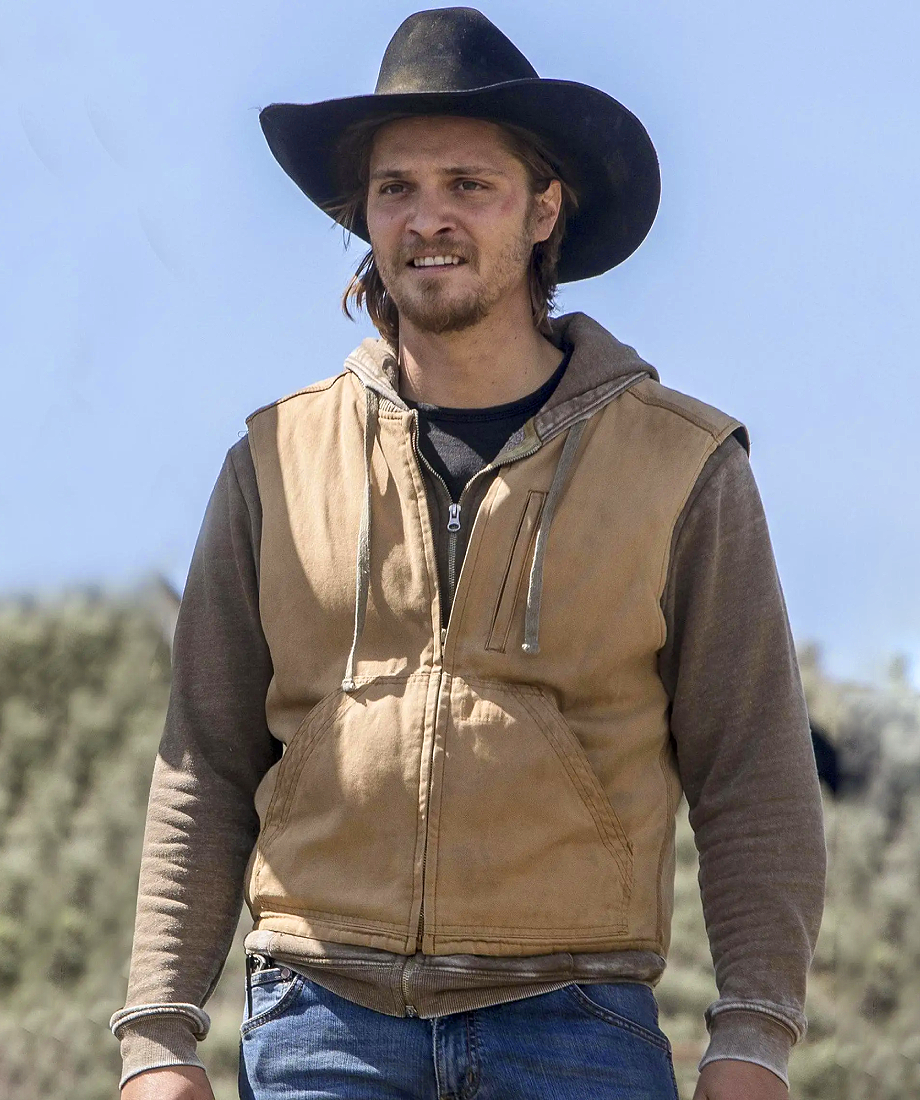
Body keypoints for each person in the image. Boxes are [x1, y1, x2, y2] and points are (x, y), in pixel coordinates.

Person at [111, 9, 826, 1100]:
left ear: (544, 210)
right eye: (394, 187)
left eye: (466, 184)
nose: (425, 217)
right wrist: (158, 1036)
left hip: (577, 1023)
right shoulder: (271, 459)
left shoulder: (682, 464)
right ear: (362, 214)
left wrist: (753, 1031)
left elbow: (754, 772)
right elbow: (203, 761)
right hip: (315, 1026)